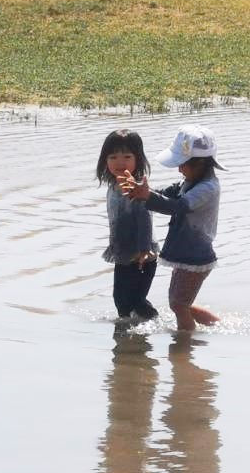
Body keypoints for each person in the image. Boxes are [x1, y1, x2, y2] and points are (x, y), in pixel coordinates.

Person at [121, 124, 222, 332]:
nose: (179, 169)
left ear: (200, 163)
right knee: (179, 303)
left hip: (196, 257)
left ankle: (184, 344)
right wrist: (142, 190)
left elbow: (178, 207)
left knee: (178, 304)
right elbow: (166, 194)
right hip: (186, 254)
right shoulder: (189, 181)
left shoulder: (207, 188)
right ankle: (219, 327)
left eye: (182, 164)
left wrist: (147, 196)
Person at [95, 129, 159, 321]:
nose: (120, 162)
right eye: (113, 156)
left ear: (138, 159)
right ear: (104, 161)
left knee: (136, 301)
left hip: (142, 256)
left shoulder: (136, 188)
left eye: (127, 156)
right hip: (123, 253)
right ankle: (129, 336)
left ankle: (154, 326)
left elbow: (144, 218)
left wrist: (144, 250)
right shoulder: (113, 186)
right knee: (121, 300)